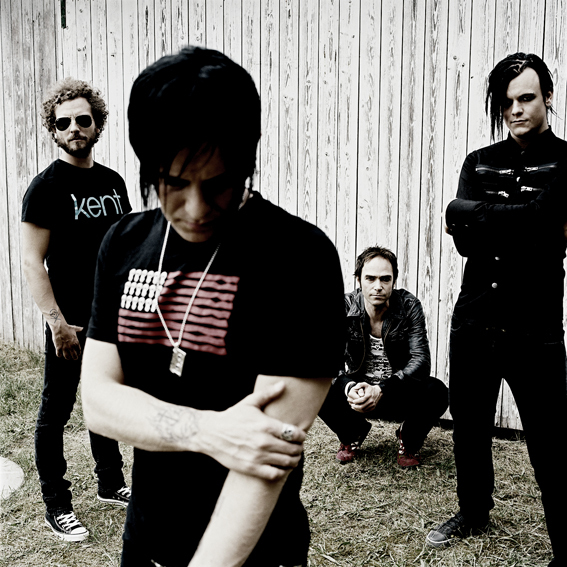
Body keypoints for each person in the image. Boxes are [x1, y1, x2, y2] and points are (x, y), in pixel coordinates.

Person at [80, 46, 345, 567]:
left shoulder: (298, 256)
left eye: (219, 183)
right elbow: (98, 400)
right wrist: (209, 431)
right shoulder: (124, 242)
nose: (196, 209)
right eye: (174, 183)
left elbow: (263, 460)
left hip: (253, 551)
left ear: (246, 163)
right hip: (146, 538)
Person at [425, 53, 567, 567]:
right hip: (474, 320)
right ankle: (473, 511)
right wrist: (523, 218)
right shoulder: (478, 160)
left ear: (547, 97)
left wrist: (476, 213)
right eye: (506, 102)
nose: (516, 110)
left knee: (551, 443)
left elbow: (544, 226)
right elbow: (466, 241)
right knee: (469, 429)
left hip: (535, 328)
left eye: (526, 98)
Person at [21, 79, 132, 542]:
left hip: (111, 320)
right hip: (71, 323)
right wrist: (57, 324)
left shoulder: (112, 182)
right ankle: (57, 504)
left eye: (83, 120)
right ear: (53, 129)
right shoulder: (45, 189)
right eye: (63, 122)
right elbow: (33, 262)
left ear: (97, 124)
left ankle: (111, 482)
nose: (74, 129)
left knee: (104, 401)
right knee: (55, 414)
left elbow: (126, 248)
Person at [318, 246, 448, 467]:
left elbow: (421, 361)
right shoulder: (344, 307)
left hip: (395, 390)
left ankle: (408, 438)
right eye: (370, 278)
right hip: (358, 392)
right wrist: (349, 387)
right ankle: (352, 433)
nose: (378, 286)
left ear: (394, 281)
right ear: (359, 280)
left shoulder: (408, 306)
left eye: (385, 279)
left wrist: (382, 389)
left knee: (437, 391)